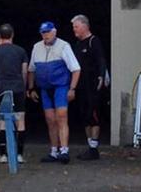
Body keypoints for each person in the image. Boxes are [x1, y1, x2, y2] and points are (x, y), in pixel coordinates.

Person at [25, 21, 80, 163]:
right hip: (45, 88)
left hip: (60, 86)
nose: (46, 35)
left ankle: (64, 150)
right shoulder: (36, 47)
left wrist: (72, 89)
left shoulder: (64, 46)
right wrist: (31, 88)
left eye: (48, 32)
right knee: (50, 120)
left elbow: (76, 68)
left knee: (61, 117)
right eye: (43, 32)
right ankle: (54, 150)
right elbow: (31, 70)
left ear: (54, 32)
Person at [69, 15, 109, 160]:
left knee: (94, 114)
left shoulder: (94, 41)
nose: (74, 30)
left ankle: (94, 147)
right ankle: (89, 146)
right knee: (84, 115)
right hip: (81, 85)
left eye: (76, 27)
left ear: (85, 26)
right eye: (73, 27)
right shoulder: (77, 45)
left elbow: (101, 59)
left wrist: (101, 76)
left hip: (93, 85)